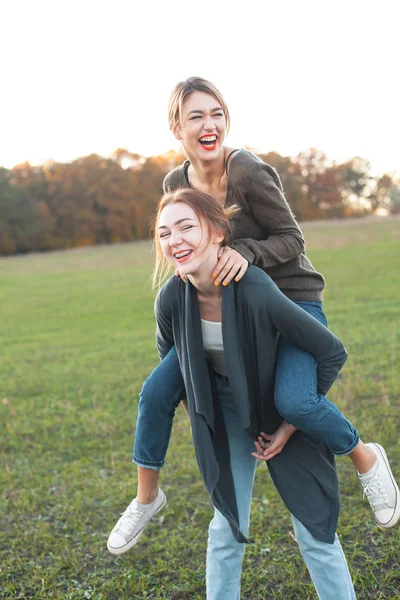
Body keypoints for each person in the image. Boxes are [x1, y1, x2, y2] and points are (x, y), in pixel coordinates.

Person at [107, 77, 399, 560]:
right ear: (176, 128)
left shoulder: (247, 172)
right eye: (196, 116)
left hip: (291, 303)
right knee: (156, 389)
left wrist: (245, 253)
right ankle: (146, 496)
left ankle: (365, 456)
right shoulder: (175, 183)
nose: (210, 124)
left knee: (297, 403)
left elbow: (293, 240)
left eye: (217, 113)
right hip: (234, 314)